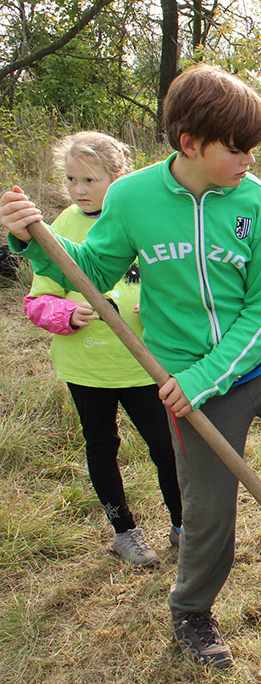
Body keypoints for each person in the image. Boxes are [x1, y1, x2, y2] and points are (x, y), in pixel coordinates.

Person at [2, 64, 261, 670]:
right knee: (209, 507)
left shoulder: (255, 201)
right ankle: (193, 610)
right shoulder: (131, 197)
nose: (250, 158)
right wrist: (31, 234)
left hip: (260, 363)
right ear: (190, 145)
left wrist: (206, 377)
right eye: (238, 148)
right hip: (186, 376)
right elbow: (93, 274)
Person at [24, 131, 182, 568]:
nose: (78, 190)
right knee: (101, 444)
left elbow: (169, 281)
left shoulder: (141, 219)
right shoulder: (59, 227)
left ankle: (182, 524)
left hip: (143, 365)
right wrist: (66, 314)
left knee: (166, 448)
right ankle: (123, 530)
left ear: (119, 177)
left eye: (90, 180)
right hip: (87, 365)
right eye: (71, 179)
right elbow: (39, 298)